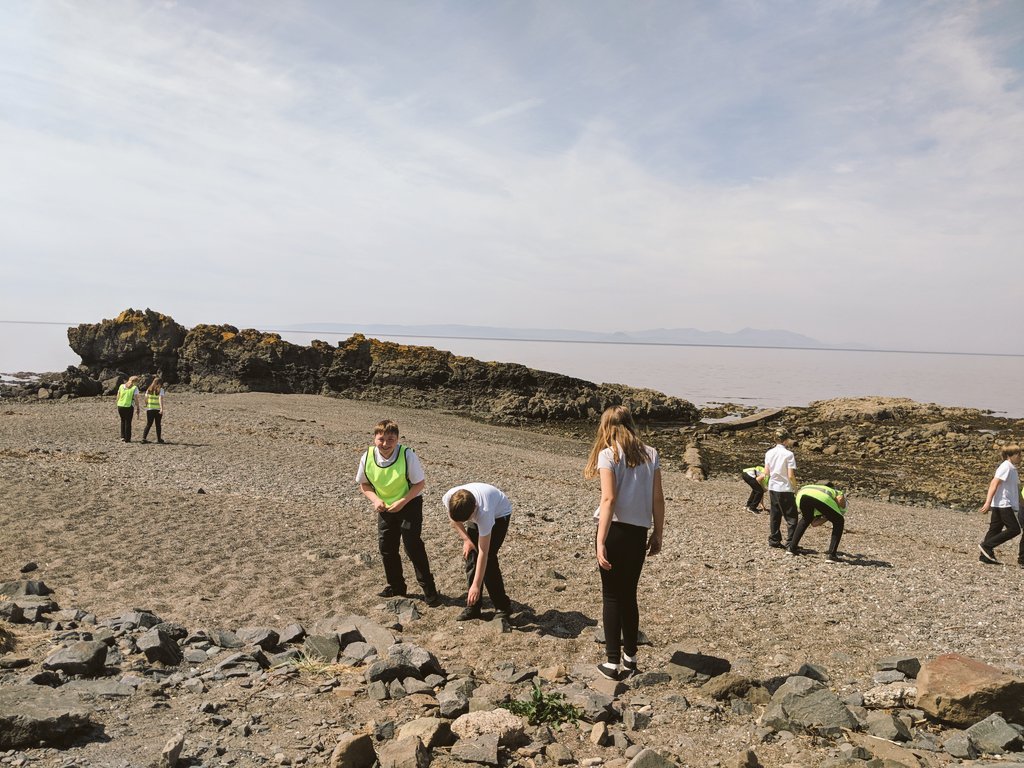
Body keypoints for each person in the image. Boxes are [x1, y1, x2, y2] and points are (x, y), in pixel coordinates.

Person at [584, 405, 665, 681]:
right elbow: (657, 499)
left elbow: (608, 500)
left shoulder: (609, 455)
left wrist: (600, 540)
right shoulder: (651, 453)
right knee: (629, 595)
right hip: (638, 533)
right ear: (631, 424)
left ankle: (612, 663)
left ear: (607, 427)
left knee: (611, 595)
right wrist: (658, 532)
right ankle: (631, 659)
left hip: (615, 530)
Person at [356, 419, 441, 606]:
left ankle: (429, 591)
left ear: (397, 439)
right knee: (386, 547)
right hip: (385, 506)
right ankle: (396, 586)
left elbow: (419, 484)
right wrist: (376, 500)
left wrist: (403, 502)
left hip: (409, 503)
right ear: (374, 438)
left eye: (391, 439)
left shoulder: (407, 455)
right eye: (381, 439)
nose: (386, 444)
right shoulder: (367, 456)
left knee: (412, 546)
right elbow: (364, 484)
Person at [442, 483, 513, 621]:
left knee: (489, 560)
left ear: (474, 509)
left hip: (500, 514)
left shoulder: (484, 513)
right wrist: (466, 540)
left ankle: (503, 607)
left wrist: (476, 585)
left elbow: (483, 553)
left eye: (467, 520)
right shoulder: (449, 497)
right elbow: (454, 519)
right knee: (470, 555)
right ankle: (473, 607)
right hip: (474, 512)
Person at [978, 444, 1021, 565]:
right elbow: (994, 483)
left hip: (1000, 503)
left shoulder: (1011, 468)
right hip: (1003, 503)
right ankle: (986, 545)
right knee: (1014, 529)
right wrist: (987, 502)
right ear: (1010, 456)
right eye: (1018, 454)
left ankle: (985, 556)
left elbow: (1016, 488)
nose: (1020, 456)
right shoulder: (1006, 467)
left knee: (994, 530)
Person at [788, 482, 848, 562]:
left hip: (801, 495)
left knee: (806, 518)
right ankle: (832, 555)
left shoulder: (816, 487)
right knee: (839, 521)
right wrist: (840, 508)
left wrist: (827, 516)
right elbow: (840, 499)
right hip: (821, 497)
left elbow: (814, 523)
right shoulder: (835, 491)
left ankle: (792, 548)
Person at [764, 428, 798, 549]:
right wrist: (796, 488)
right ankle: (791, 543)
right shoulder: (789, 454)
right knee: (791, 517)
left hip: (773, 487)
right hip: (785, 488)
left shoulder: (769, 453)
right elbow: (790, 475)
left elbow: (766, 473)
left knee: (775, 514)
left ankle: (774, 539)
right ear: (786, 440)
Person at [116, 376, 141, 443]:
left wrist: (117, 403)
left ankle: (122, 436)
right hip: (128, 406)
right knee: (128, 422)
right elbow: (136, 399)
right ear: (135, 382)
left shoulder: (121, 386)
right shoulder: (134, 388)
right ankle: (127, 438)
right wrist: (138, 407)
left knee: (123, 421)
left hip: (120, 405)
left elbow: (118, 395)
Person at [141, 377, 165, 444]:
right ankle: (159, 439)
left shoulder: (149, 389)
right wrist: (162, 408)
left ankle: (144, 438)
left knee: (148, 424)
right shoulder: (161, 390)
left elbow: (146, 398)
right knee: (158, 424)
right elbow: (160, 399)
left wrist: (146, 404)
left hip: (150, 408)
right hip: (157, 409)